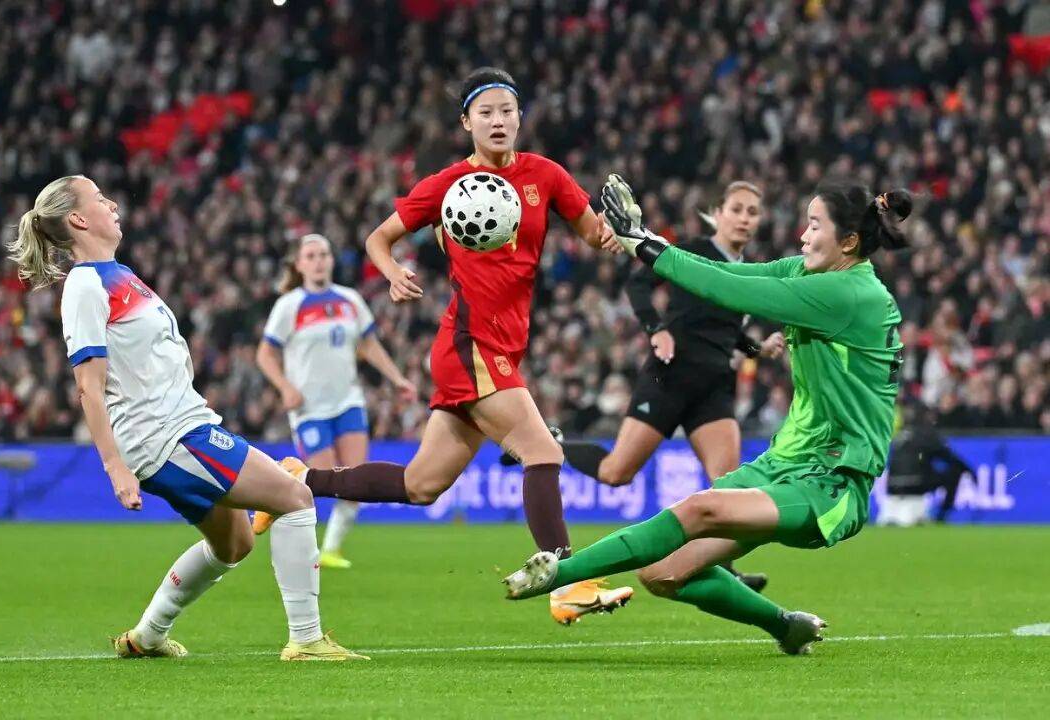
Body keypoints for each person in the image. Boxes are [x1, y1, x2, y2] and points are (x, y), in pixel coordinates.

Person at [273, 67, 632, 624]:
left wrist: (613, 234)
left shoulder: (546, 175)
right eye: (485, 112)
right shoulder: (446, 184)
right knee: (543, 453)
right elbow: (378, 238)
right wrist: (392, 273)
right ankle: (568, 583)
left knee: (421, 486)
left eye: (506, 110)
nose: (498, 120)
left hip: (502, 347)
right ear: (466, 122)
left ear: (520, 117)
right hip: (470, 345)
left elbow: (591, 232)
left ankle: (296, 480)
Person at [504, 174, 911, 655]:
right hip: (787, 461)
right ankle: (786, 627)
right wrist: (645, 240)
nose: (803, 235)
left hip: (833, 480)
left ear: (848, 241)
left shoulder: (847, 294)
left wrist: (645, 246)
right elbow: (729, 274)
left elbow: (729, 291)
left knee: (700, 508)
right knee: (662, 573)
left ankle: (560, 573)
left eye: (815, 225)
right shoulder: (813, 274)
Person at [7, 175, 366, 662]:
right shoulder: (86, 285)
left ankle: (147, 636)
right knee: (295, 498)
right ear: (78, 219)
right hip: (167, 436)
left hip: (182, 425)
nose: (113, 204)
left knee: (234, 544)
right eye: (100, 198)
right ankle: (305, 639)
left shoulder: (118, 274)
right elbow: (88, 385)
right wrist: (115, 466)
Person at [556, 181, 785, 592]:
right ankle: (553, 445)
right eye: (737, 209)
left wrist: (757, 348)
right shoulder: (692, 250)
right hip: (671, 374)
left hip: (714, 385)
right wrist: (656, 329)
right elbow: (638, 284)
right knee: (616, 473)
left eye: (753, 212)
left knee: (729, 485)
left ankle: (725, 572)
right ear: (718, 213)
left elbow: (724, 328)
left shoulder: (748, 269)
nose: (745, 219)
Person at [251, 234, 417, 569]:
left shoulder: (349, 299)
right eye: (311, 256)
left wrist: (397, 378)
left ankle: (330, 550)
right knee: (320, 479)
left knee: (355, 480)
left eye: (324, 254)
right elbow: (265, 354)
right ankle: (280, 493)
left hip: (348, 402)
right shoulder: (290, 305)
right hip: (309, 408)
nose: (318, 261)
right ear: (299, 265)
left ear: (331, 260)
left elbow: (369, 345)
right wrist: (285, 387)